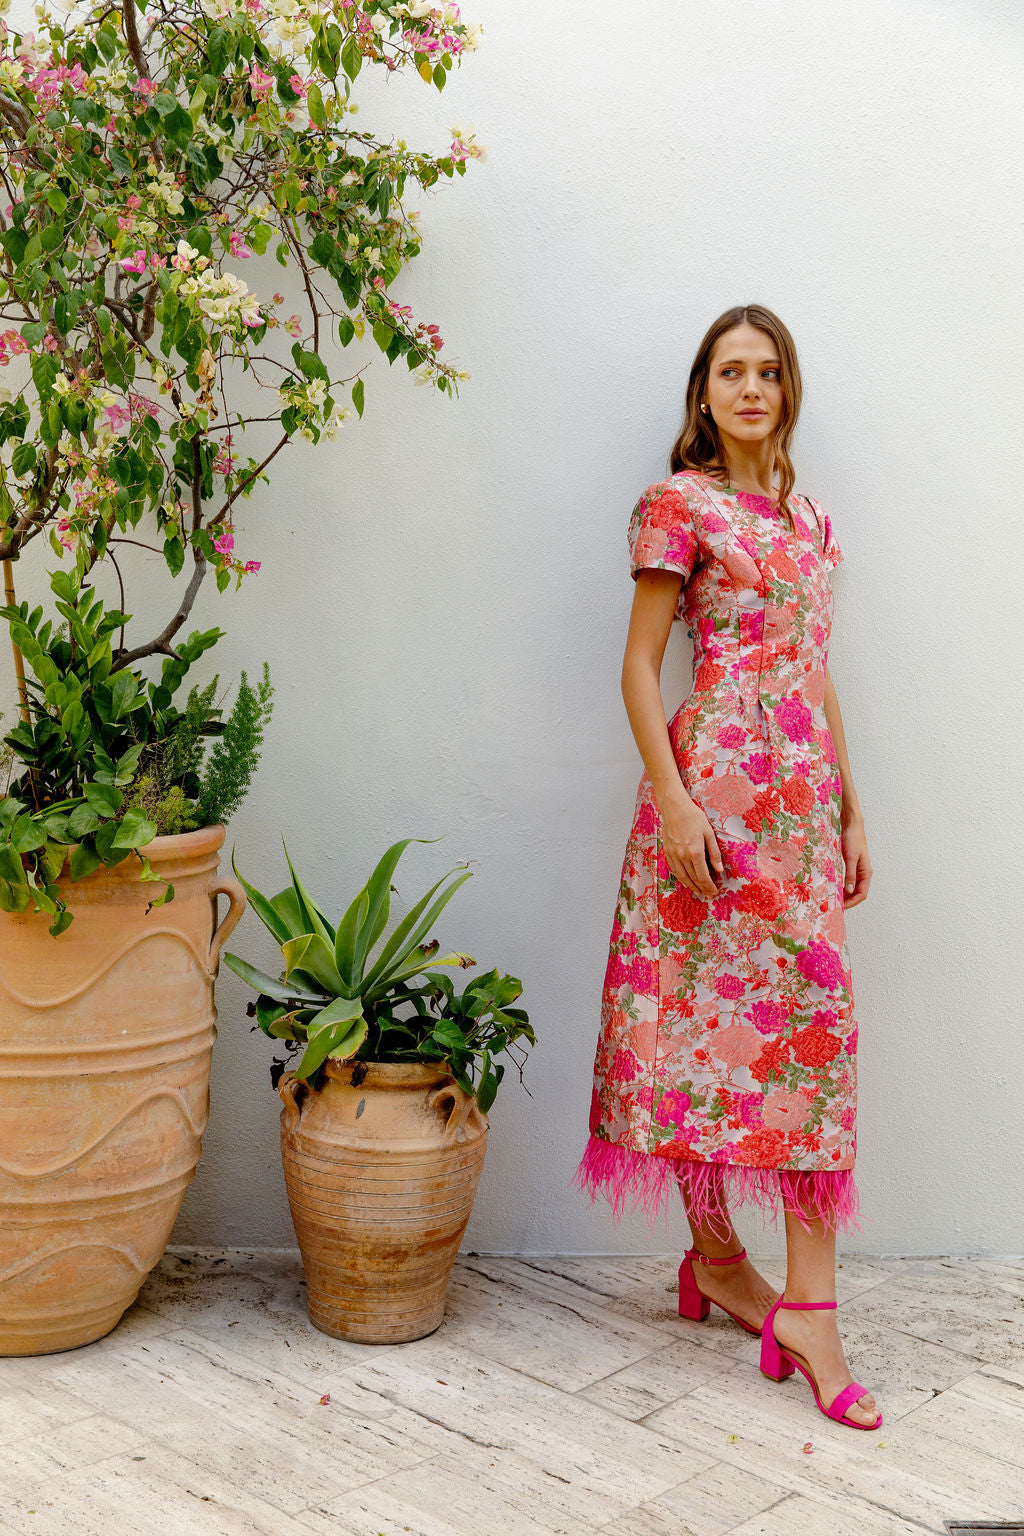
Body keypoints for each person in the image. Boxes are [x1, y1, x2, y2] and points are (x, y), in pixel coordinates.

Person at [573, 304, 880, 1431]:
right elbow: (640, 668)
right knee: (703, 1025)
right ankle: (754, 1277)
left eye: (766, 371)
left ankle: (770, 1289)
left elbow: (817, 672)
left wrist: (852, 805)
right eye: (728, 372)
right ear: (702, 395)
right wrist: (673, 798)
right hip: (712, 798)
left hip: (800, 810)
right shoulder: (679, 506)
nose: (748, 388)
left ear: (786, 390)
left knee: (809, 1029)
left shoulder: (808, 522)